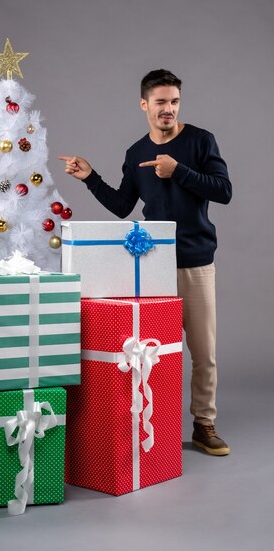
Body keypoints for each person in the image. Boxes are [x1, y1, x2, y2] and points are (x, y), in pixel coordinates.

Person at [59, 69, 232, 456]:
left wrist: (179, 171)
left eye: (174, 102)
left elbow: (224, 191)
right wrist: (90, 178)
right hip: (151, 266)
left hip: (195, 263)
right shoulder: (136, 153)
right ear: (144, 105)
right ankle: (159, 426)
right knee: (154, 352)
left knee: (203, 352)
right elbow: (123, 207)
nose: (168, 109)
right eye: (160, 102)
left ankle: (204, 425)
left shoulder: (201, 141)